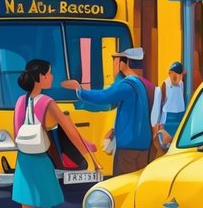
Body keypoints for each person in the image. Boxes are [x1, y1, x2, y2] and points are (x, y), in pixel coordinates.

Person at [13, 60, 98, 208]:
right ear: (39, 77)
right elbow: (70, 132)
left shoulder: (20, 102)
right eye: (49, 74)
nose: (51, 77)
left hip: (23, 160)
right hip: (41, 161)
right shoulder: (48, 103)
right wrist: (88, 153)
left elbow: (15, 134)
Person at [62, 47, 153, 175]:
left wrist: (79, 90)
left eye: (116, 61)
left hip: (128, 146)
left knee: (123, 182)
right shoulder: (141, 85)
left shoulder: (126, 85)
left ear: (123, 63)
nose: (114, 64)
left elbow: (103, 96)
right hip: (143, 144)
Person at [152, 62, 188, 148]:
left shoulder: (183, 85)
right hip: (167, 122)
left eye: (179, 74)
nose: (176, 77)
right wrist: (156, 126)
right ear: (169, 73)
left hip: (180, 120)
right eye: (173, 74)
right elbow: (156, 108)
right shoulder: (164, 87)